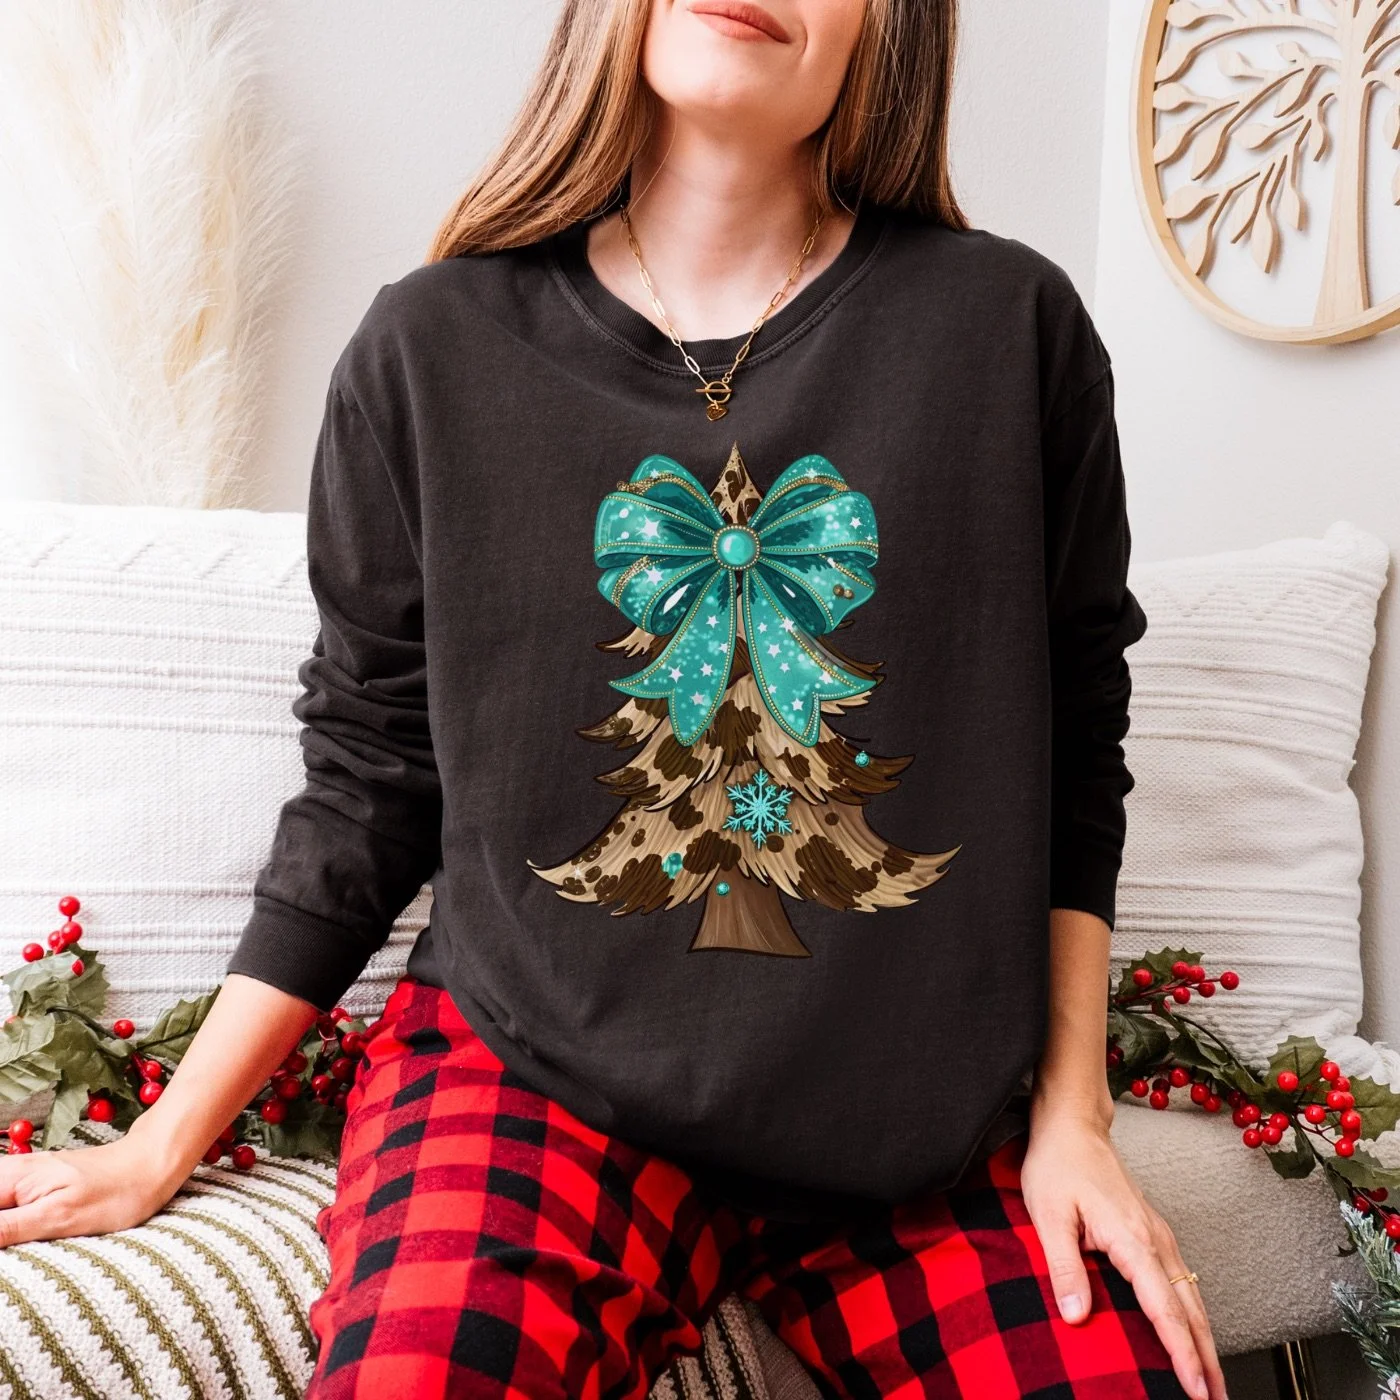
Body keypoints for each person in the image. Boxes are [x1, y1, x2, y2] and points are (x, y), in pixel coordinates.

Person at [0, 2, 1227, 1397]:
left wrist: (1074, 1116)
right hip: (535, 1079)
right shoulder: (430, 348)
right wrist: (165, 1140)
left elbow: (1074, 745)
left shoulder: (1008, 331)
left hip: (916, 1122)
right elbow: (371, 774)